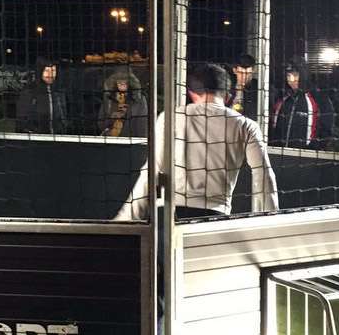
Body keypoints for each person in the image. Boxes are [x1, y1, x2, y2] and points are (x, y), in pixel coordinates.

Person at [115, 63, 278, 221]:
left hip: (172, 216)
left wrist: (125, 220)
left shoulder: (171, 117)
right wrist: (268, 222)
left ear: (191, 93)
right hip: (215, 217)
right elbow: (263, 175)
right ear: (227, 96)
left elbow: (152, 171)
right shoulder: (246, 125)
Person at [271, 64, 334, 148]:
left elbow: (326, 131)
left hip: (307, 156)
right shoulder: (282, 99)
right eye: (288, 75)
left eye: (295, 75)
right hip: (279, 154)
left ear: (304, 75)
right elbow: (272, 127)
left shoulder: (319, 99)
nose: (291, 79)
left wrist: (313, 150)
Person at [16, 56, 68, 134]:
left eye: (53, 70)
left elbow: (64, 118)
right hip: (36, 141)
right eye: (47, 70)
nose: (50, 74)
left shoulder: (59, 93)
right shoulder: (29, 92)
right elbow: (22, 121)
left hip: (58, 141)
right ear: (40, 71)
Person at [98, 66, 149, 137]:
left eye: (125, 81)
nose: (122, 85)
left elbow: (143, 126)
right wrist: (112, 118)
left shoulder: (140, 100)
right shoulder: (108, 98)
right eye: (119, 81)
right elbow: (101, 125)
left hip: (132, 142)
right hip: (111, 141)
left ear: (130, 82)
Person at [226, 53, 258, 120]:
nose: (244, 77)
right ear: (234, 70)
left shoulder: (257, 89)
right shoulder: (227, 87)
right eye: (241, 73)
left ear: (253, 71)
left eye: (248, 73)